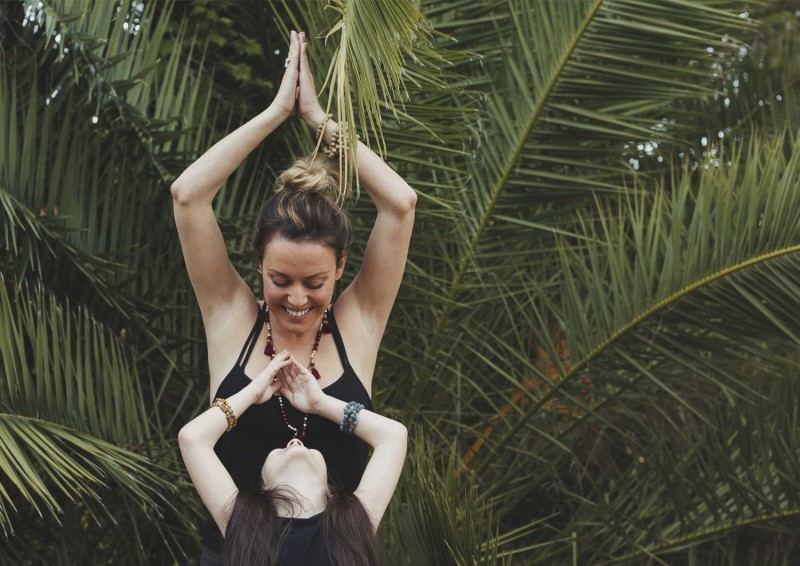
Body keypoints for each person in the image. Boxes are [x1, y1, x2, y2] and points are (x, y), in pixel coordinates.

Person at [170, 30, 416, 562]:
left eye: (315, 282)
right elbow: (188, 197)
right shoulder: (231, 319)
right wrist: (277, 112)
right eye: (280, 280)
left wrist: (319, 121)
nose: (297, 298)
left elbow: (400, 205)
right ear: (258, 265)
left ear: (341, 270)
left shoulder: (359, 325)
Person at [179, 349, 408, 565]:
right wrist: (252, 392)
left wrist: (322, 403)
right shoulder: (246, 525)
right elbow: (393, 436)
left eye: (280, 449)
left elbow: (193, 438)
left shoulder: (350, 526)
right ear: (262, 488)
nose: (294, 441)